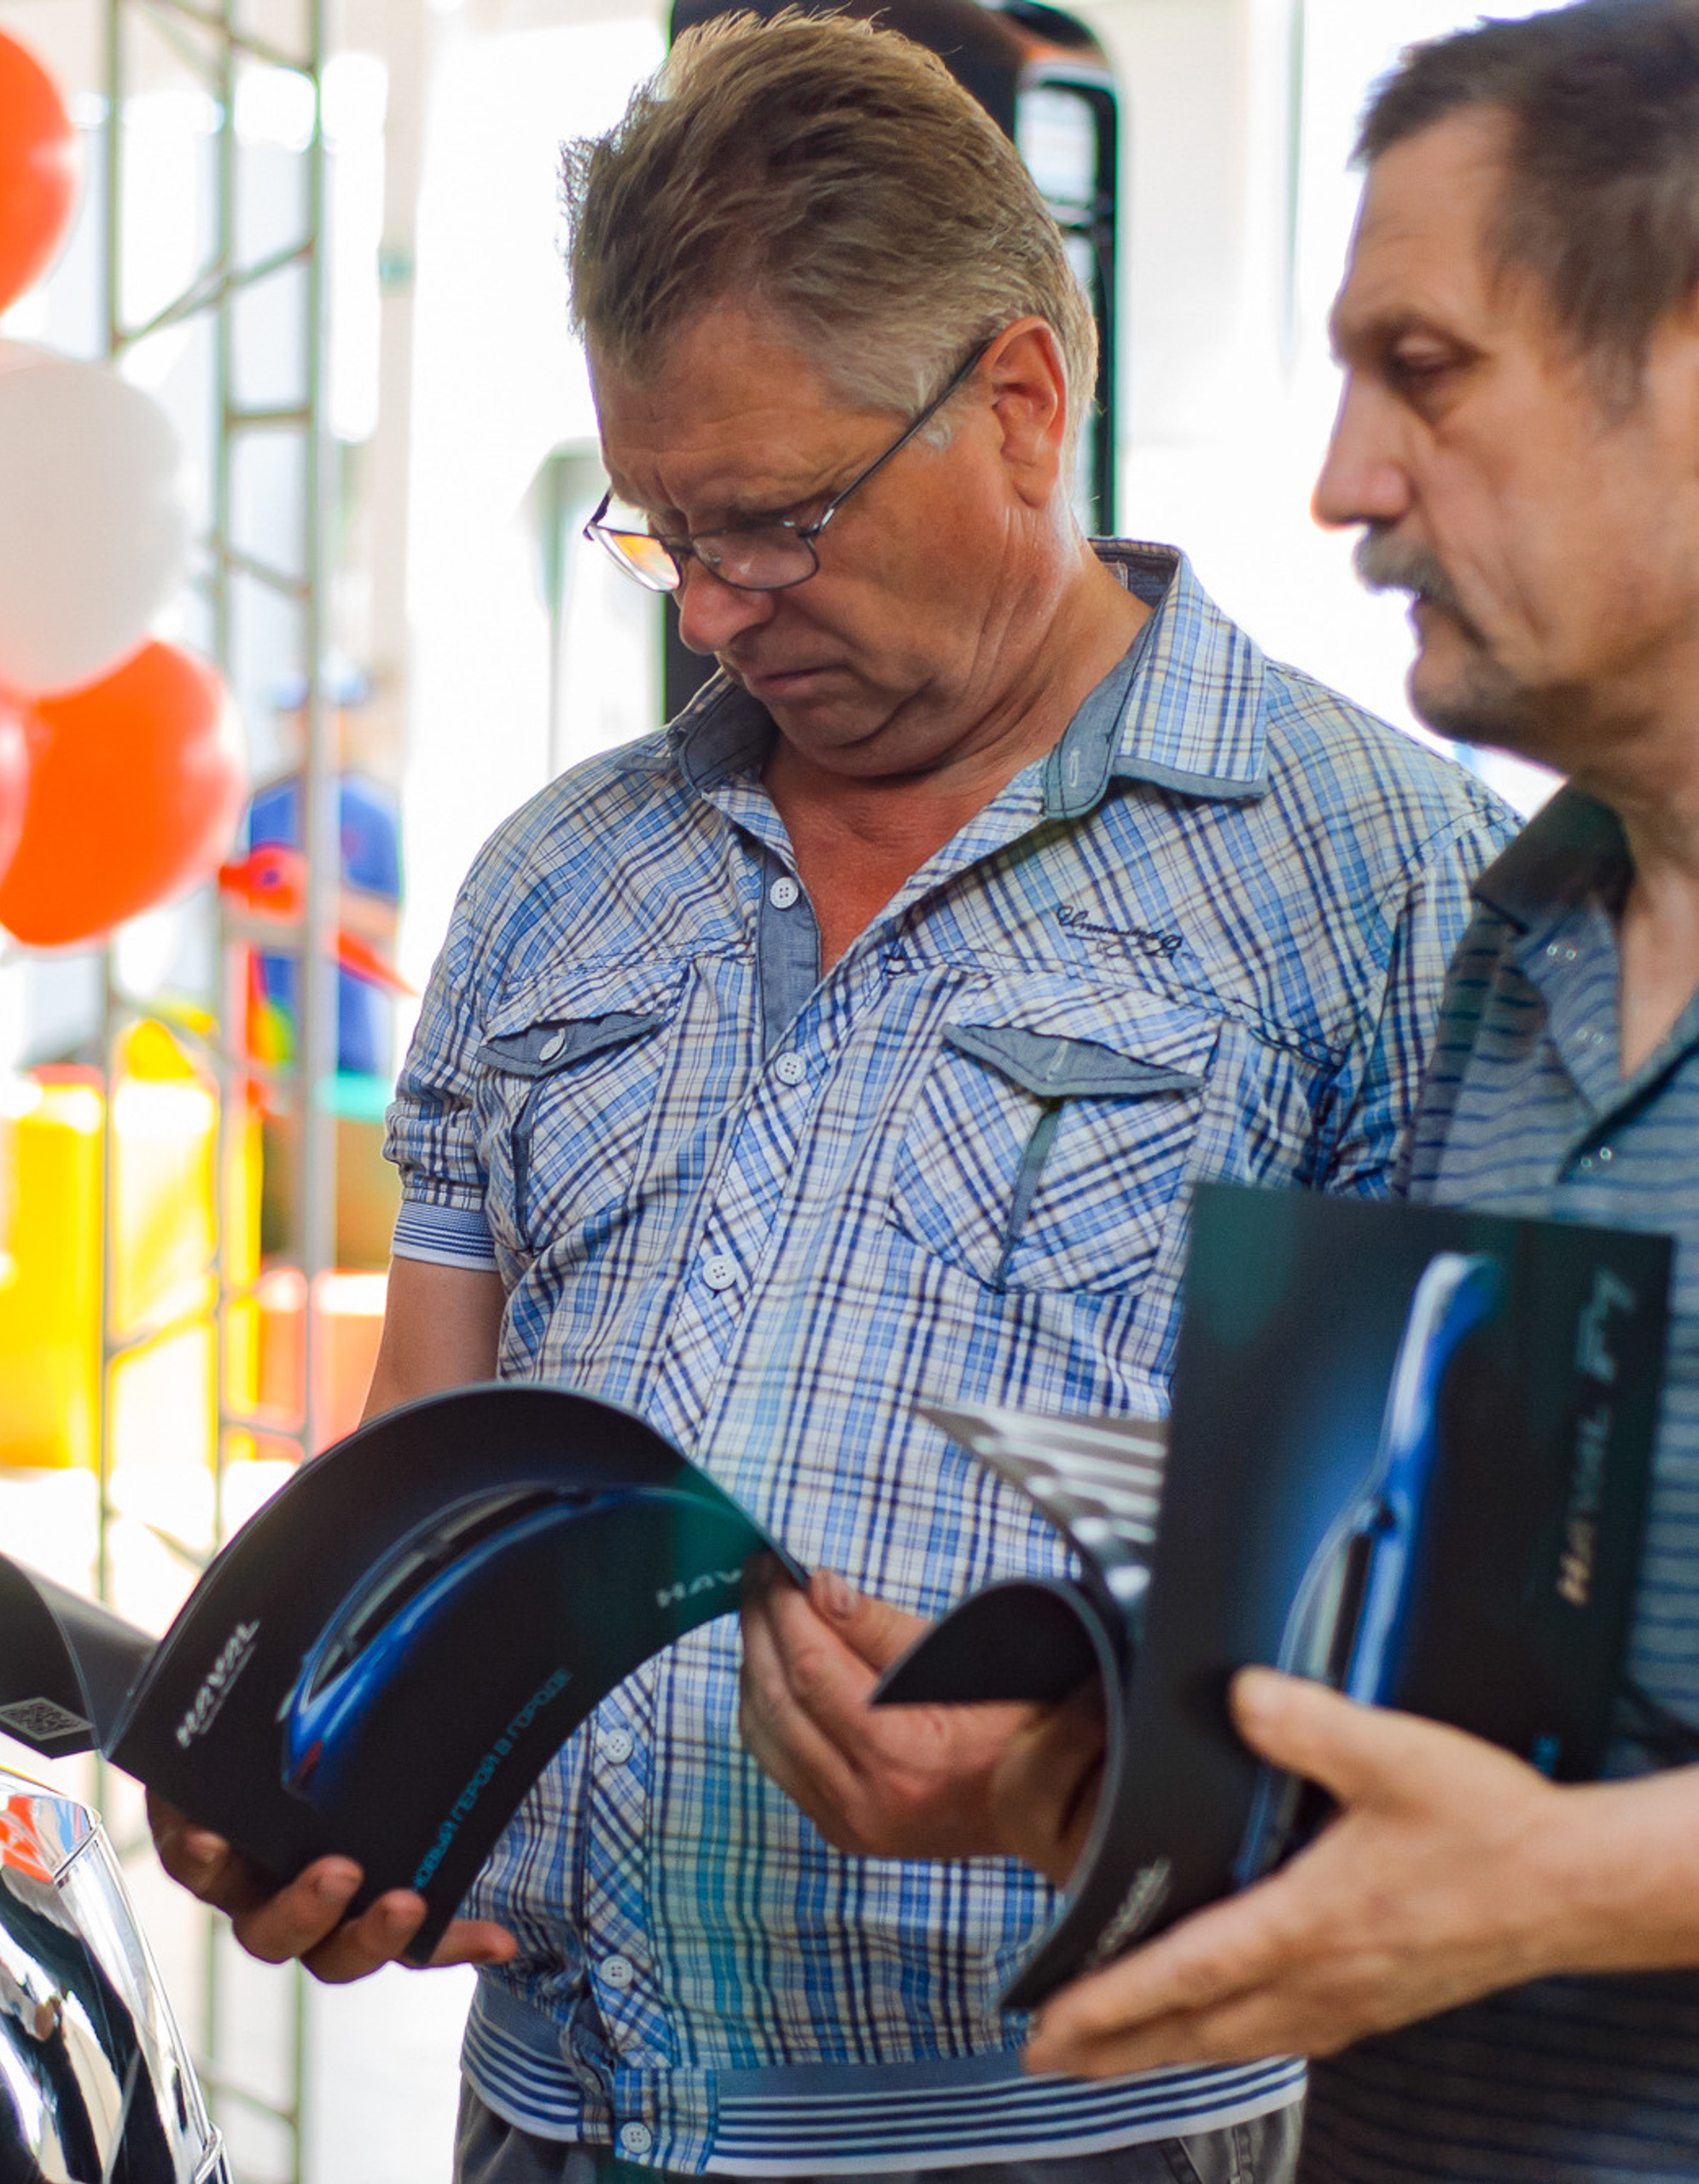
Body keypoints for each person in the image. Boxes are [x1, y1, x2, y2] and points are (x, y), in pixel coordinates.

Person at [151, 15, 1510, 2179]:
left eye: (772, 522)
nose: (709, 611)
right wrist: (312, 1764)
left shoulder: (1371, 883)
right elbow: (419, 1465)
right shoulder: (559, 883)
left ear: (1017, 405)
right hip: (548, 2125)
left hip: (1069, 2140)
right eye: (660, 530)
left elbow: (1454, 1657)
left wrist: (1080, 1757)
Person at [748, 6, 1699, 2180]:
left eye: (1425, 370)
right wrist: (1075, 1771)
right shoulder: (1518, 940)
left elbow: (1523, 1842)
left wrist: (1564, 1881)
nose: (1340, 482)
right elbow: (1473, 1696)